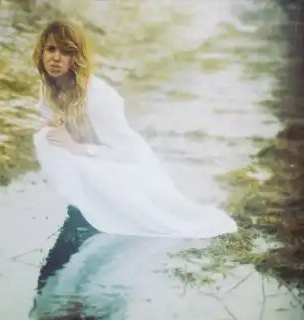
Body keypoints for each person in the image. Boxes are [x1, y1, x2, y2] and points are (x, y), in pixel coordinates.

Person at [32, 18, 238, 239]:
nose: (56, 57)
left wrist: (76, 148)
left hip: (126, 163)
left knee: (162, 218)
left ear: (76, 58)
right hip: (91, 157)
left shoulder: (99, 96)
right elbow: (53, 123)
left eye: (66, 51)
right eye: (51, 49)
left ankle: (94, 216)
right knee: (46, 138)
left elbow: (122, 151)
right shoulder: (48, 86)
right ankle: (81, 205)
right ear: (42, 52)